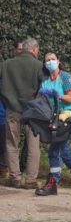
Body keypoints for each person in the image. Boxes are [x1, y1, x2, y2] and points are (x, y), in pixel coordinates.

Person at [34, 51, 71, 196]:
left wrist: (57, 95)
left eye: (53, 59)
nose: (50, 62)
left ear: (58, 61)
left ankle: (52, 183)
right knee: (64, 152)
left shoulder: (65, 77)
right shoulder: (45, 80)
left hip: (66, 118)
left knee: (55, 150)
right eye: (47, 60)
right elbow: (40, 99)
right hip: (52, 119)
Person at [0, 37, 43, 189]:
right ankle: (31, 180)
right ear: (33, 49)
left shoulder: (5, 64)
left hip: (12, 109)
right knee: (33, 146)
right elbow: (44, 88)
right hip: (32, 111)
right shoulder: (38, 65)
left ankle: (15, 178)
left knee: (11, 144)